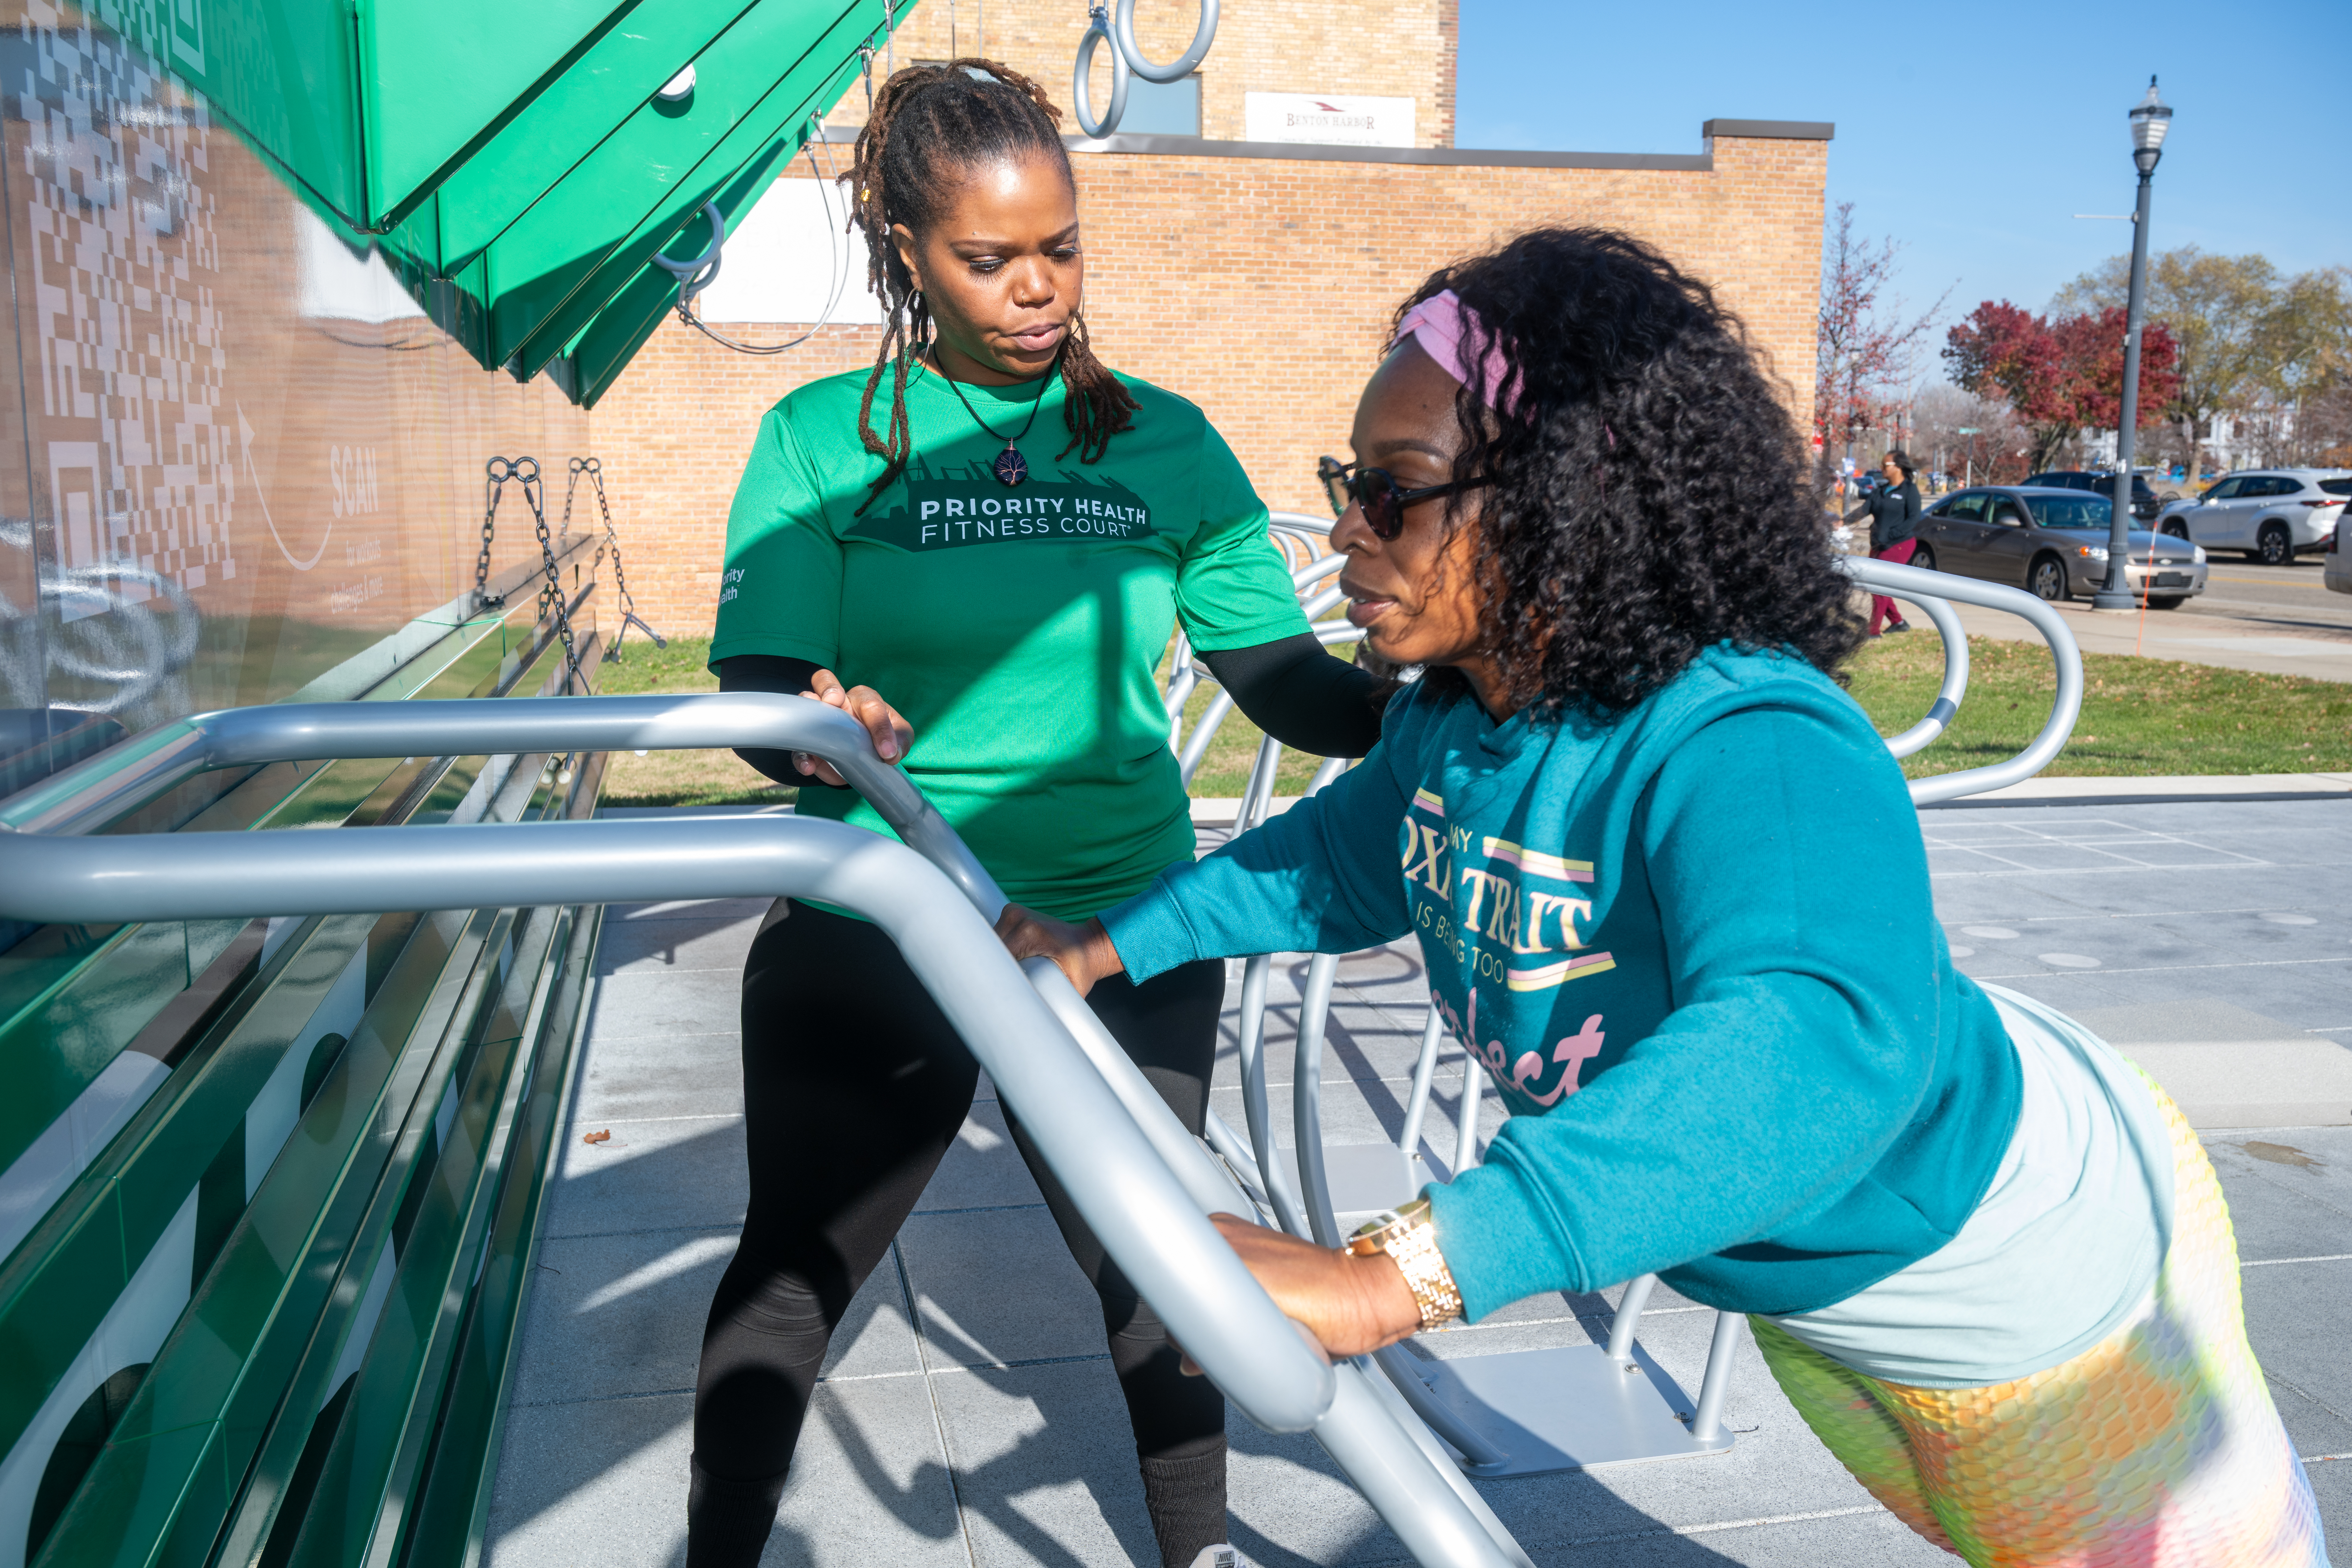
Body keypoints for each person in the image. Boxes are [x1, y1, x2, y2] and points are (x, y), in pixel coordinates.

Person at [1002, 228, 2327, 1567]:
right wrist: (1104, 946)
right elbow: (1338, 859)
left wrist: (1396, 1271)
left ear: (1560, 500)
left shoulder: (1751, 739)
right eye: (1350, 483)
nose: (1347, 528)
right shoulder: (1458, 724)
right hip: (1810, 1285)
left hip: (2018, 1283)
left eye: (1395, 491)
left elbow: (1809, 1044)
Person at [694, 59, 1386, 1568]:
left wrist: (1434, 704)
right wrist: (820, 728)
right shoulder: (824, 439)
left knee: (1160, 1277)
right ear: (905, 253)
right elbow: (760, 686)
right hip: (886, 922)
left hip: (1120, 925)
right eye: (989, 259)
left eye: (1058, 249)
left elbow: (1282, 682)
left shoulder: (1164, 439)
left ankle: (1193, 1554)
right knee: (797, 1274)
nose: (1034, 290)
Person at [1850, 448, 1922, 635]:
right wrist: (1842, 522)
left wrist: (1892, 535)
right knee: (1876, 584)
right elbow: (1864, 510)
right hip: (1878, 544)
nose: (1881, 468)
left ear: (1898, 467)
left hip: (1900, 545)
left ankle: (1873, 631)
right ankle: (1898, 623)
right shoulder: (1881, 491)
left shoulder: (1910, 491)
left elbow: (1914, 519)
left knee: (1880, 586)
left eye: (1886, 465)